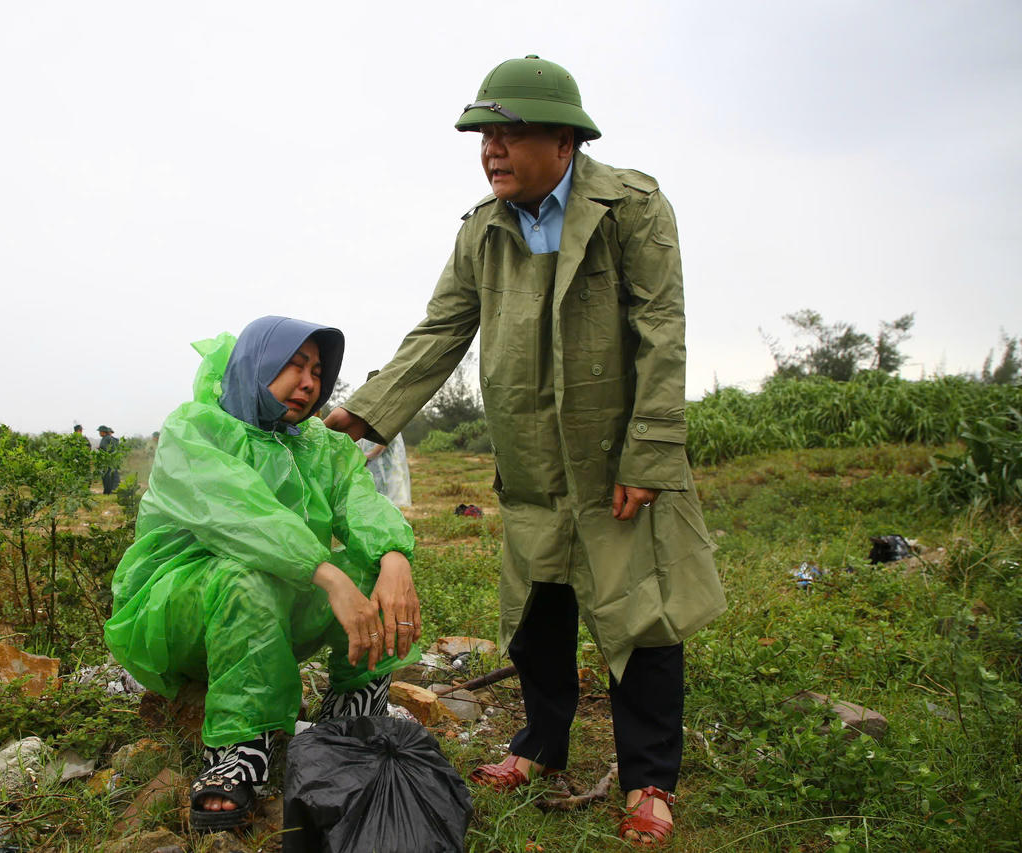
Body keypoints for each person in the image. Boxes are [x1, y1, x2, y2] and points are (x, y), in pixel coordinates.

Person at [324, 56, 725, 845]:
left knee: (640, 617)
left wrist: (648, 454)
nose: (491, 150)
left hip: (614, 462)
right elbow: (441, 331)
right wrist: (368, 413)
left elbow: (662, 330)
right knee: (538, 618)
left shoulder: (631, 209)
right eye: (484, 137)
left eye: (509, 135)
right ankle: (540, 745)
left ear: (565, 141)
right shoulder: (484, 229)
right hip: (533, 459)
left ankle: (648, 778)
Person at [104, 316, 422, 832]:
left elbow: (362, 504)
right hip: (180, 611)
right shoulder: (196, 429)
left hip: (274, 611)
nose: (309, 383)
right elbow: (242, 518)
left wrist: (394, 559)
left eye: (317, 371)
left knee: (374, 568)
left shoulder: (320, 445)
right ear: (255, 364)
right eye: (294, 365)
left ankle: (351, 713)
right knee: (245, 576)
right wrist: (327, 575)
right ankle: (237, 750)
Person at [356, 434, 411, 507]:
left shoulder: (387, 429)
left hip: (384, 468)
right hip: (371, 466)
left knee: (386, 498)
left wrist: (366, 456)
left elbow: (383, 443)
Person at [96, 425, 120, 494]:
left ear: (103, 432)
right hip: (110, 461)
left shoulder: (107, 439)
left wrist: (100, 449)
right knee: (109, 476)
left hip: (108, 461)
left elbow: (106, 449)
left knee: (108, 477)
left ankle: (110, 491)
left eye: (100, 432)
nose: (99, 433)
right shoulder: (107, 438)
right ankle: (110, 491)